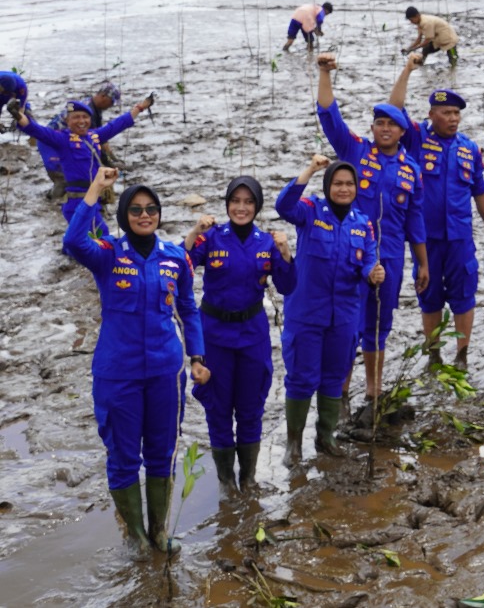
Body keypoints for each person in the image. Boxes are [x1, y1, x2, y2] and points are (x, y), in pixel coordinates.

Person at [65, 166, 207, 557]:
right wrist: (95, 187)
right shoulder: (107, 255)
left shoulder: (175, 257)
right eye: (136, 210)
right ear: (124, 215)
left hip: (165, 373)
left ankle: (159, 532)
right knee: (124, 456)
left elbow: (189, 309)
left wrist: (197, 355)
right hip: (118, 375)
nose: (145, 215)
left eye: (151, 209)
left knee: (162, 453)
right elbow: (74, 240)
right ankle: (136, 536)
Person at [315, 53, 429, 421]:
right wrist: (324, 73)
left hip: (392, 258)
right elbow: (329, 118)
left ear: (401, 132)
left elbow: (416, 219)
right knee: (347, 324)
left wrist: (423, 263)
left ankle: (373, 393)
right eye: (378, 123)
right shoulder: (356, 151)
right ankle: (340, 391)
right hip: (350, 255)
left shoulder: (412, 169)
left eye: (390, 125)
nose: (383, 129)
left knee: (379, 326)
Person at [185, 177, 296, 496]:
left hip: (252, 335)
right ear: (227, 205)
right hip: (214, 335)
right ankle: (226, 483)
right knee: (218, 408)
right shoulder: (212, 238)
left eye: (249, 202)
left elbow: (288, 287)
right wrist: (194, 232)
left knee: (250, 408)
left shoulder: (267, 242)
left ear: (257, 206)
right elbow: (180, 267)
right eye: (236, 201)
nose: (242, 207)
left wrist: (286, 253)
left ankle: (248, 479)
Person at [388, 62, 484, 371]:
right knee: (430, 295)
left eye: (456, 114)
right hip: (426, 239)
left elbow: (480, 192)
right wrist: (408, 70)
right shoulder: (416, 140)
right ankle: (433, 353)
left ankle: (462, 355)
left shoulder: (469, 149)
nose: (453, 119)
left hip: (461, 238)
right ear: (431, 115)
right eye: (446, 113)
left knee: (464, 295)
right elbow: (393, 107)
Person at [275, 155, 384, 466]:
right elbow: (283, 206)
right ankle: (293, 443)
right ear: (327, 186)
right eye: (337, 183)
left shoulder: (362, 224)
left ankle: (326, 437)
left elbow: (368, 262)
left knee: (334, 377)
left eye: (349, 184)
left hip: (344, 315)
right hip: (306, 313)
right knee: (300, 378)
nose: (344, 189)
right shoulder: (310, 211)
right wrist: (310, 168)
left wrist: (374, 274)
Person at [10, 92, 155, 234]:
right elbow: (37, 130)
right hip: (79, 202)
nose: (81, 121)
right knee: (102, 238)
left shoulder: (94, 136)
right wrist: (17, 115)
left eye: (85, 117)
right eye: (76, 117)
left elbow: (117, 124)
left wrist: (141, 107)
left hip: (93, 201)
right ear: (67, 121)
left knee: (78, 242)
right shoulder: (62, 139)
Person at [32, 81, 121, 199]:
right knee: (63, 177)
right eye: (111, 102)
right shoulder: (88, 111)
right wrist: (107, 163)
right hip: (51, 143)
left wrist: (112, 159)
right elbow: (94, 143)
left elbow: (99, 140)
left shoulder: (93, 108)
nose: (111, 106)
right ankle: (53, 204)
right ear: (103, 96)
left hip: (63, 142)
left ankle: (54, 198)